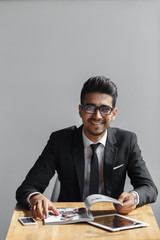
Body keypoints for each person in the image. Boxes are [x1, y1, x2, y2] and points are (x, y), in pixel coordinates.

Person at [16, 76, 158, 220]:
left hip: (110, 220)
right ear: (80, 111)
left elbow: (149, 188)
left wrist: (134, 197)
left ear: (113, 114)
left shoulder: (127, 141)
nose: (97, 116)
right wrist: (35, 197)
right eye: (90, 108)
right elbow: (26, 188)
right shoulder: (60, 141)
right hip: (69, 221)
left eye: (105, 109)